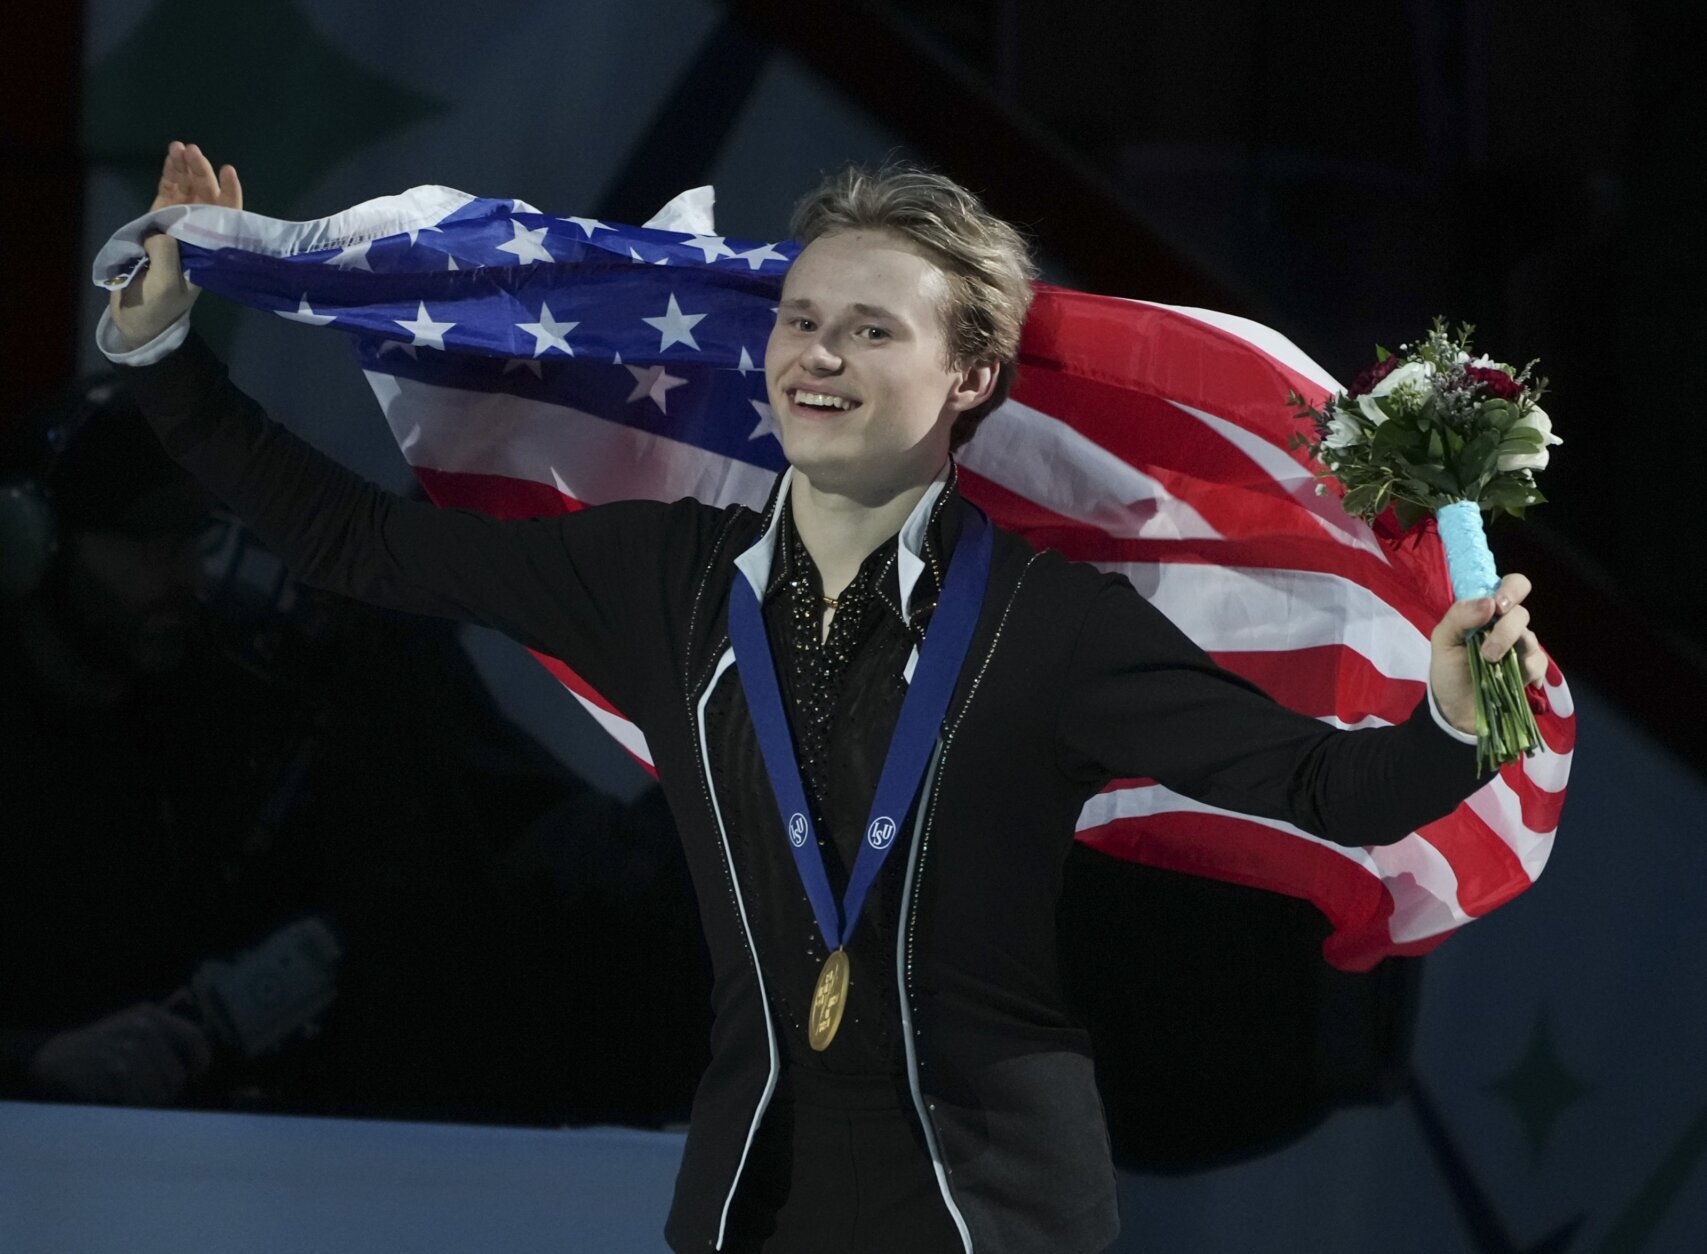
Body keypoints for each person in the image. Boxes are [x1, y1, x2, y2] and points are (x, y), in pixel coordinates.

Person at [100, 141, 1550, 1254]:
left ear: (971, 375)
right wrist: (166, 359)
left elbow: (1328, 790)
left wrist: (1453, 712)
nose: (817, 355)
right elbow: (356, 542)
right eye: (800, 320)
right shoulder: (661, 576)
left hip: (998, 1208)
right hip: (754, 1194)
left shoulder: (1053, 624)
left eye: (870, 330)